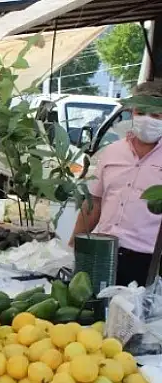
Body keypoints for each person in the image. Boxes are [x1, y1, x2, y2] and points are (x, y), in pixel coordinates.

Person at [69, 81, 162, 286]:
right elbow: (94, 203)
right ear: (132, 111)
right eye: (141, 112)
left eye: (156, 115)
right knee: (92, 311)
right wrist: (73, 244)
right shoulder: (112, 152)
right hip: (101, 252)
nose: (147, 120)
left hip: (147, 260)